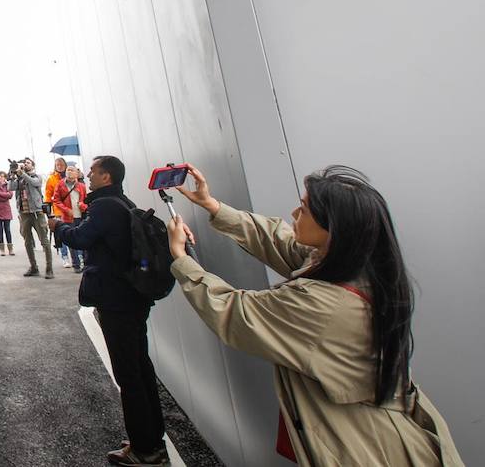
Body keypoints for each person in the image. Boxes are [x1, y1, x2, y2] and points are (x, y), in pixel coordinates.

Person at [166, 166, 462, 466]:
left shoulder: (321, 304)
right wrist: (211, 205)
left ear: (333, 228)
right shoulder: (360, 268)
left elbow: (234, 312)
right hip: (384, 432)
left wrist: (181, 257)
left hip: (367, 448)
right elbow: (280, 241)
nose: (295, 213)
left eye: (305, 210)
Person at [51, 155, 168, 466]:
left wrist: (58, 226)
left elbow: (80, 238)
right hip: (133, 298)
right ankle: (151, 439)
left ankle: (145, 451)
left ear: (107, 177)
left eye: (93, 171)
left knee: (129, 374)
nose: (88, 174)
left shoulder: (104, 206)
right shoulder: (123, 201)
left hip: (116, 301)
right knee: (141, 370)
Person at [13, 157, 53, 278]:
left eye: (28, 163)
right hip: (24, 213)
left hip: (37, 212)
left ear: (33, 165)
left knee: (44, 241)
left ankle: (49, 268)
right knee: (28, 242)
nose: (25, 164)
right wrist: (12, 174)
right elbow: (10, 187)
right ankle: (34, 267)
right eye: (24, 163)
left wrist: (22, 174)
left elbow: (34, 183)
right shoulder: (20, 178)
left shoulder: (37, 176)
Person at [52, 164, 88, 272]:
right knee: (72, 240)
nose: (69, 172)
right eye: (68, 170)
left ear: (77, 173)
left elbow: (86, 201)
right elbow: (56, 200)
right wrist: (66, 210)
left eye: (72, 170)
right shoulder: (60, 185)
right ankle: (76, 264)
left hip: (80, 216)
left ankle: (85, 263)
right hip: (68, 217)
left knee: (84, 239)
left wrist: (83, 206)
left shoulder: (81, 186)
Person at [44, 157, 70, 263]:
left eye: (61, 164)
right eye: (57, 165)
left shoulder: (71, 176)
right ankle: (65, 257)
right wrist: (48, 209)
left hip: (71, 210)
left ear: (65, 165)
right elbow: (48, 194)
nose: (59, 166)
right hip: (58, 210)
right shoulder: (52, 178)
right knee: (62, 233)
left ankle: (77, 257)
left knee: (73, 232)